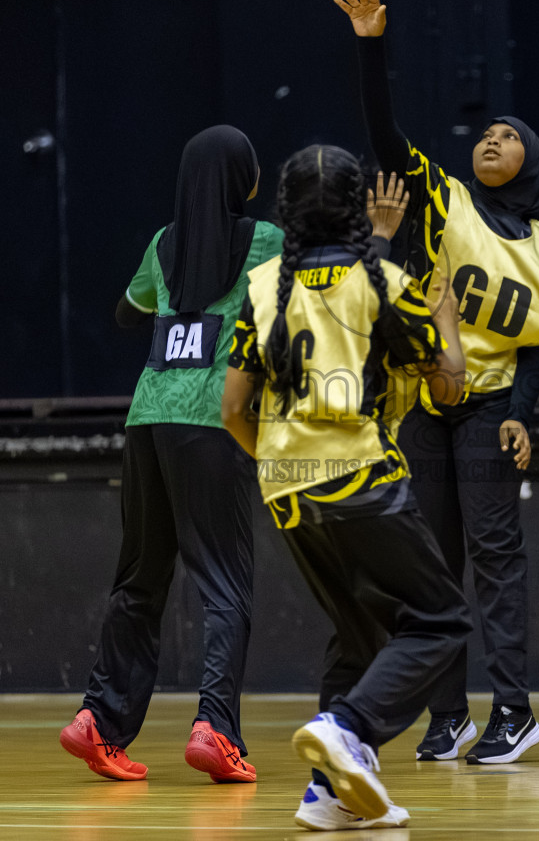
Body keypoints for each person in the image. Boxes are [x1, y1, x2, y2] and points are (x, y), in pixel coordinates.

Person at [333, 0, 539, 763]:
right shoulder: (445, 200)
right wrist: (371, 44)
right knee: (429, 563)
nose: (493, 138)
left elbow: (536, 347)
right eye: (487, 131)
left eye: (509, 134)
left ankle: (514, 710)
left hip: (489, 406)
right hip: (425, 403)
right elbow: (387, 140)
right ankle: (446, 713)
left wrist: (522, 415)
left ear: (531, 160)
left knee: (496, 559)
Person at [221, 144, 471, 830]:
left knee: (357, 635)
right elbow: (447, 386)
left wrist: (277, 462)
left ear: (287, 211)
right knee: (442, 620)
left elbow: (233, 409)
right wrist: (446, 321)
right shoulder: (386, 283)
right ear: (360, 209)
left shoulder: (265, 285)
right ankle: (350, 726)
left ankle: (327, 794)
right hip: (360, 476)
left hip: (286, 488)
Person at [60, 125, 282, 783]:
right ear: (242, 178)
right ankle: (215, 726)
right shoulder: (265, 241)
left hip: (148, 419)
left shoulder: (163, 244)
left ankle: (98, 717)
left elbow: (128, 313)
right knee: (225, 584)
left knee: (140, 578)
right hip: (214, 422)